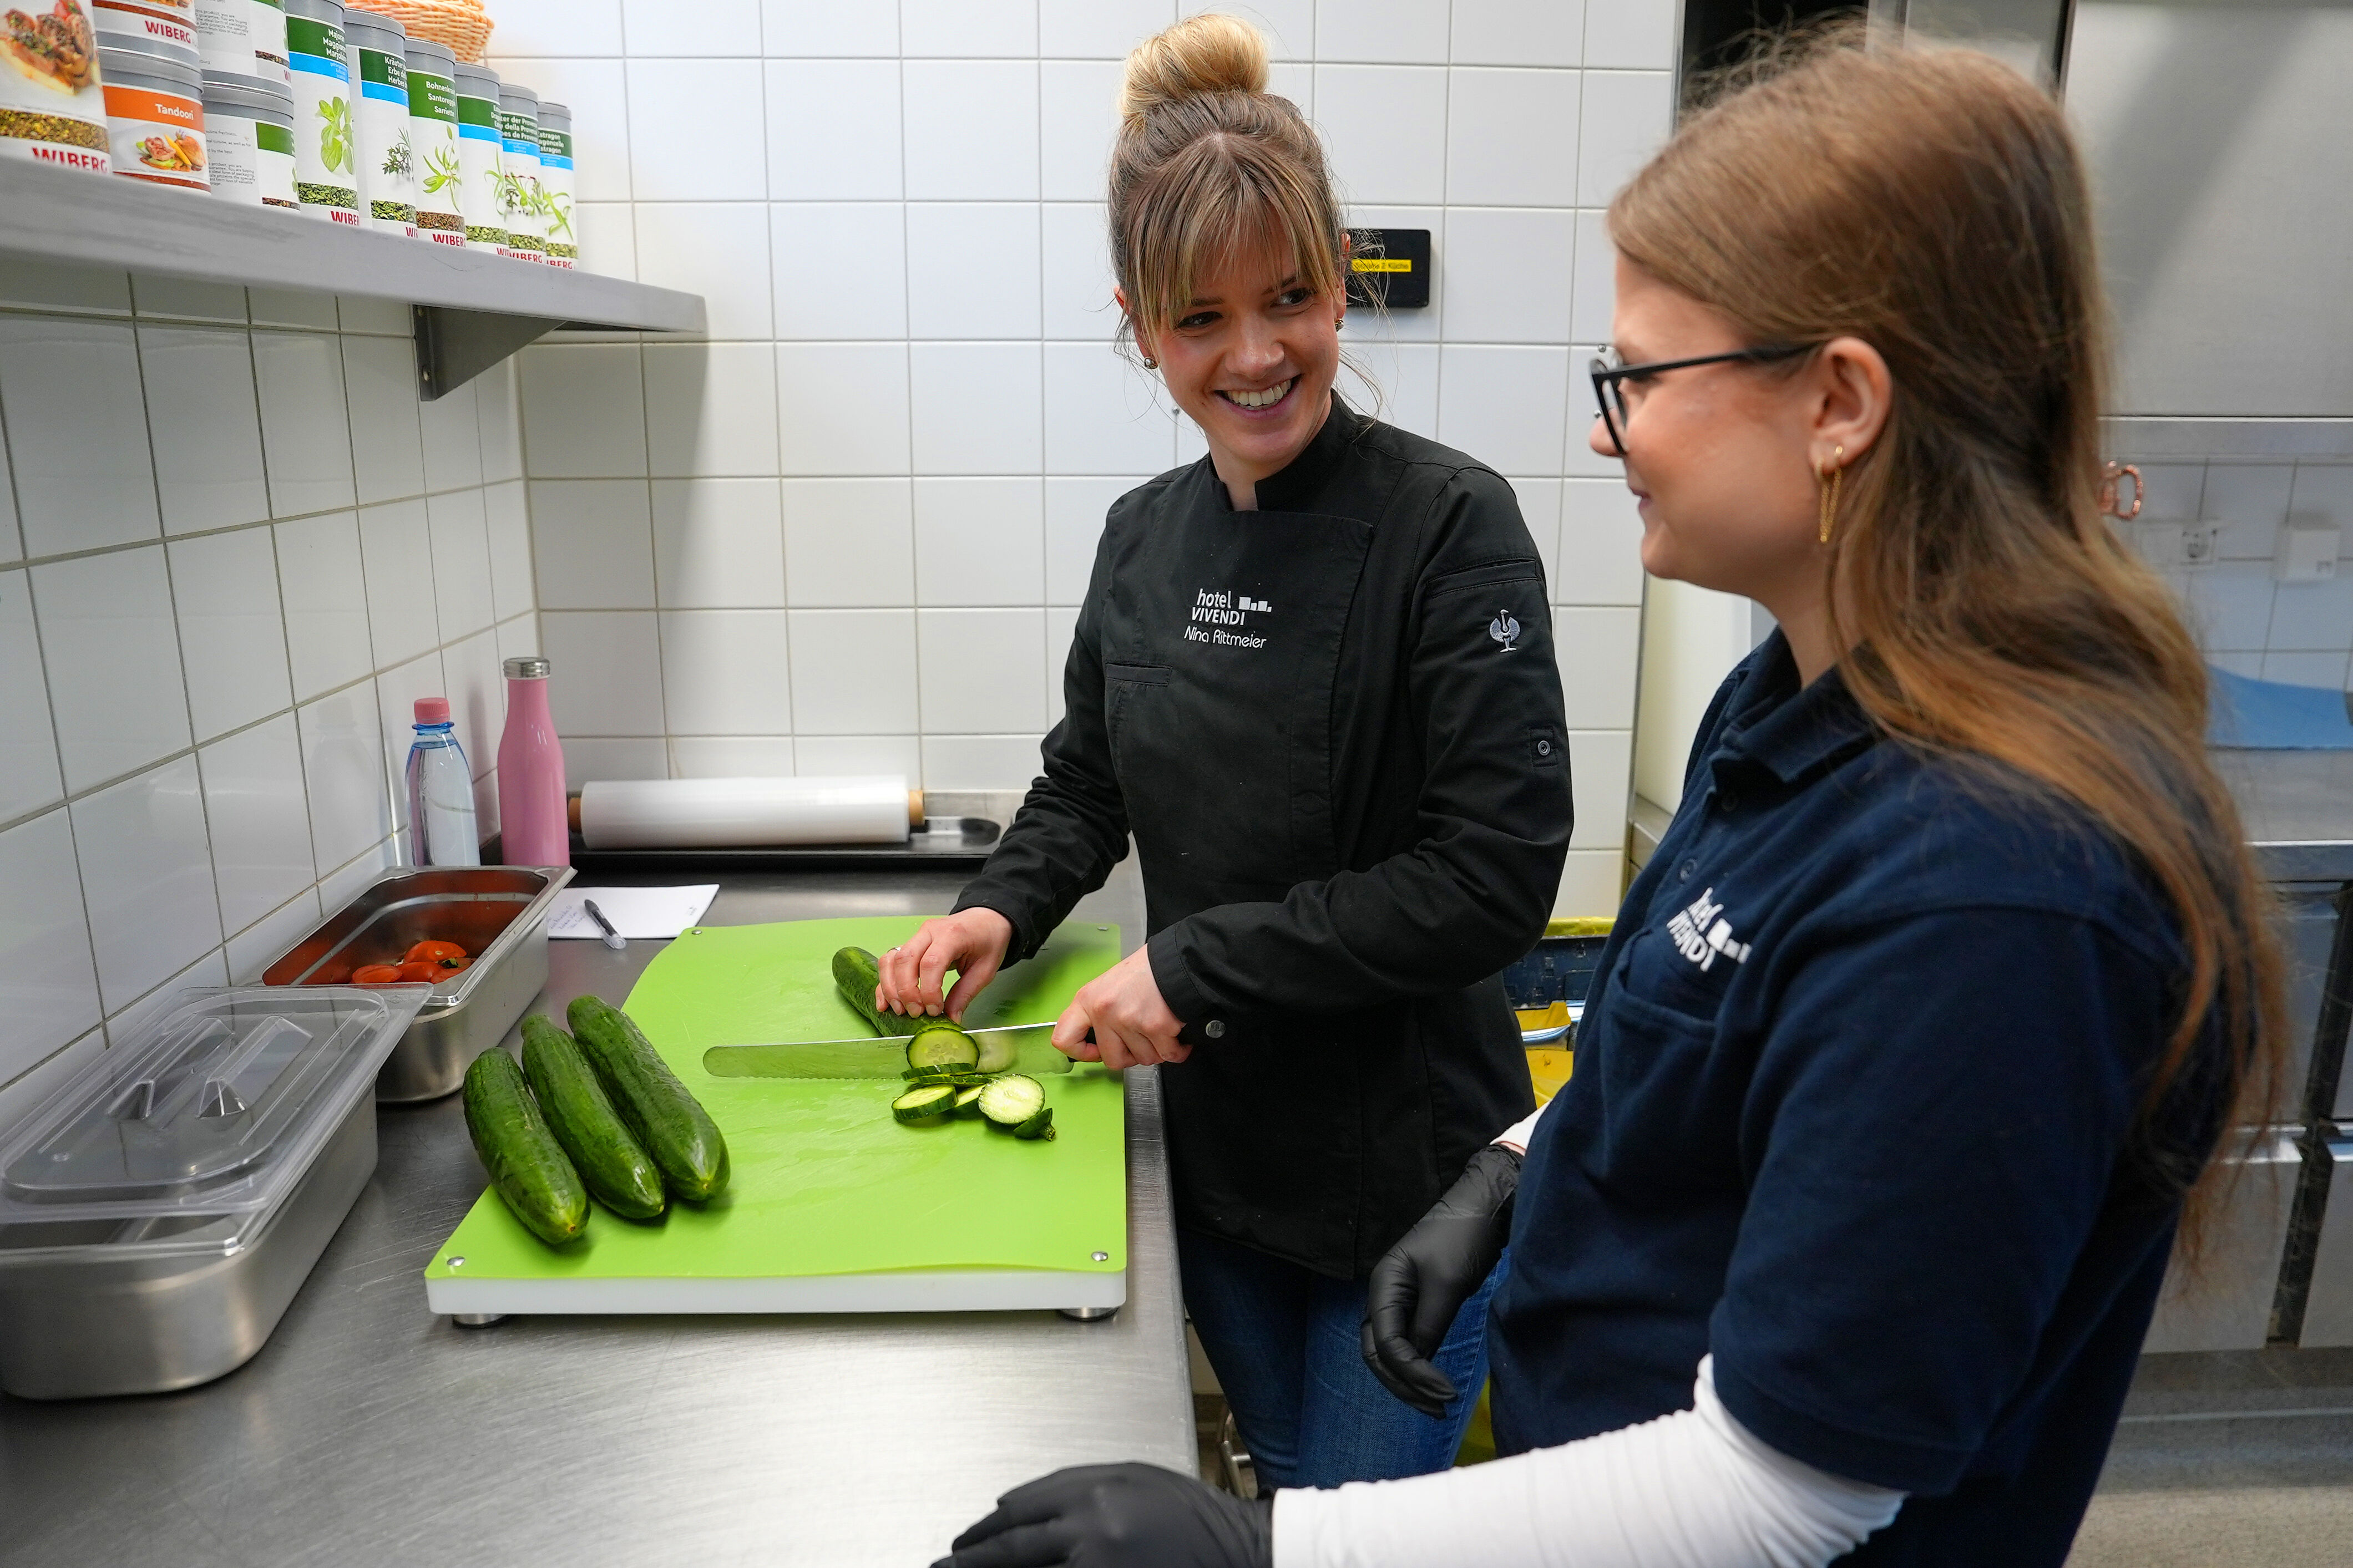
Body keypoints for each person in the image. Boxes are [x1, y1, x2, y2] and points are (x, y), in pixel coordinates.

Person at [932, 29, 2286, 1568]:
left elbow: (1789, 1493)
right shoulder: (1782, 713)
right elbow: (1688, 1051)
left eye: (1635, 376)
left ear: (1839, 401)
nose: (1602, 425)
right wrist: (1521, 1168)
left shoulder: (1992, 892)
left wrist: (1276, 1552)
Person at [874, 13, 1573, 1493]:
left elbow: (1492, 879)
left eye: (1292, 298)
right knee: (1279, 1473)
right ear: (1140, 325)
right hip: (1213, 1153)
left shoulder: (1451, 527)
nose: (1257, 356)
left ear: (1340, 280)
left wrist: (1193, 963)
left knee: (1354, 1526)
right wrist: (1000, 909)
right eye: (1201, 318)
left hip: (1411, 1180)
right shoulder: (1141, 538)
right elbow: (1089, 779)